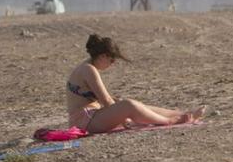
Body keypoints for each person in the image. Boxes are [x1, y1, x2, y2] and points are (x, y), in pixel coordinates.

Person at [66, 34, 204, 133]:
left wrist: (119, 106)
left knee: (137, 105)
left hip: (90, 117)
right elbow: (106, 100)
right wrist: (122, 117)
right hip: (85, 122)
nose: (112, 64)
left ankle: (183, 114)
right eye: (112, 60)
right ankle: (169, 121)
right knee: (129, 105)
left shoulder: (86, 66)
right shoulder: (89, 69)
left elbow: (105, 98)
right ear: (103, 56)